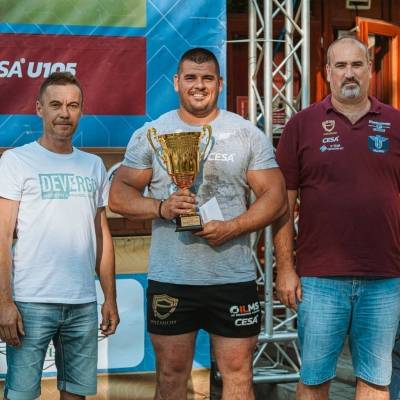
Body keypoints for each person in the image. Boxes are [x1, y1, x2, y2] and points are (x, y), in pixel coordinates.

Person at [109, 47, 287, 400]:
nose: (199, 85)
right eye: (191, 77)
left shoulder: (245, 134)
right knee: (171, 375)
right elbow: (118, 195)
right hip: (173, 279)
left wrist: (234, 227)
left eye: (207, 78)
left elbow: (276, 196)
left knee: (238, 374)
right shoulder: (153, 133)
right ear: (177, 82)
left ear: (220, 83)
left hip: (232, 278)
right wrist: (162, 207)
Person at [273, 36, 400, 400]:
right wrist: (285, 267)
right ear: (327, 72)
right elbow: (283, 205)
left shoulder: (396, 123)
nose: (349, 73)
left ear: (370, 70)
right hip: (319, 279)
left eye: (357, 65)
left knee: (376, 380)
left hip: (385, 277)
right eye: (340, 66)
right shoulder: (302, 124)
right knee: (314, 380)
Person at [0, 72, 119, 400]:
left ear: (81, 110)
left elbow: (101, 235)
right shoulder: (15, 161)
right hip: (30, 303)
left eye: (72, 105)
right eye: (55, 105)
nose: (64, 113)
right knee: (21, 395)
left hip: (83, 303)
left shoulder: (93, 165)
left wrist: (110, 298)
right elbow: (2, 237)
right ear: (39, 108)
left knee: (76, 395)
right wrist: (4, 302)